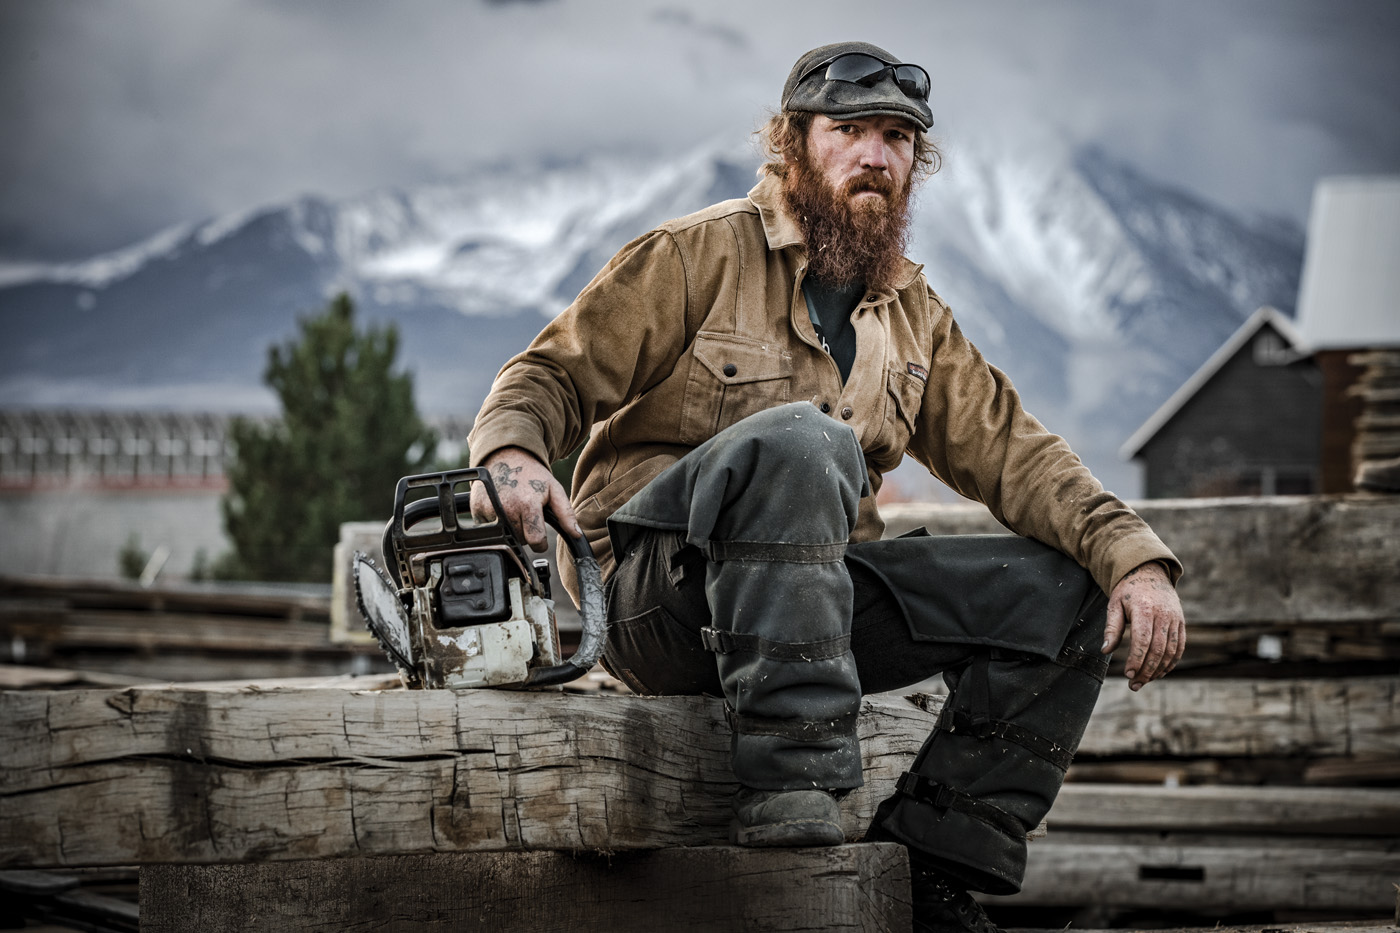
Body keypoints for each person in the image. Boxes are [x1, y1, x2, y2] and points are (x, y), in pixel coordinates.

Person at [467, 41, 1186, 933]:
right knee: (806, 439)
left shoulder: (911, 315)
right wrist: (513, 455)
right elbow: (550, 373)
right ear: (794, 142)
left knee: (1066, 592)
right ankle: (792, 797)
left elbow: (1019, 455)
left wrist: (1133, 560)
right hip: (659, 600)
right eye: (849, 130)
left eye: (896, 138)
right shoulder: (699, 256)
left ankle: (935, 865)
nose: (876, 156)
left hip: (816, 601)